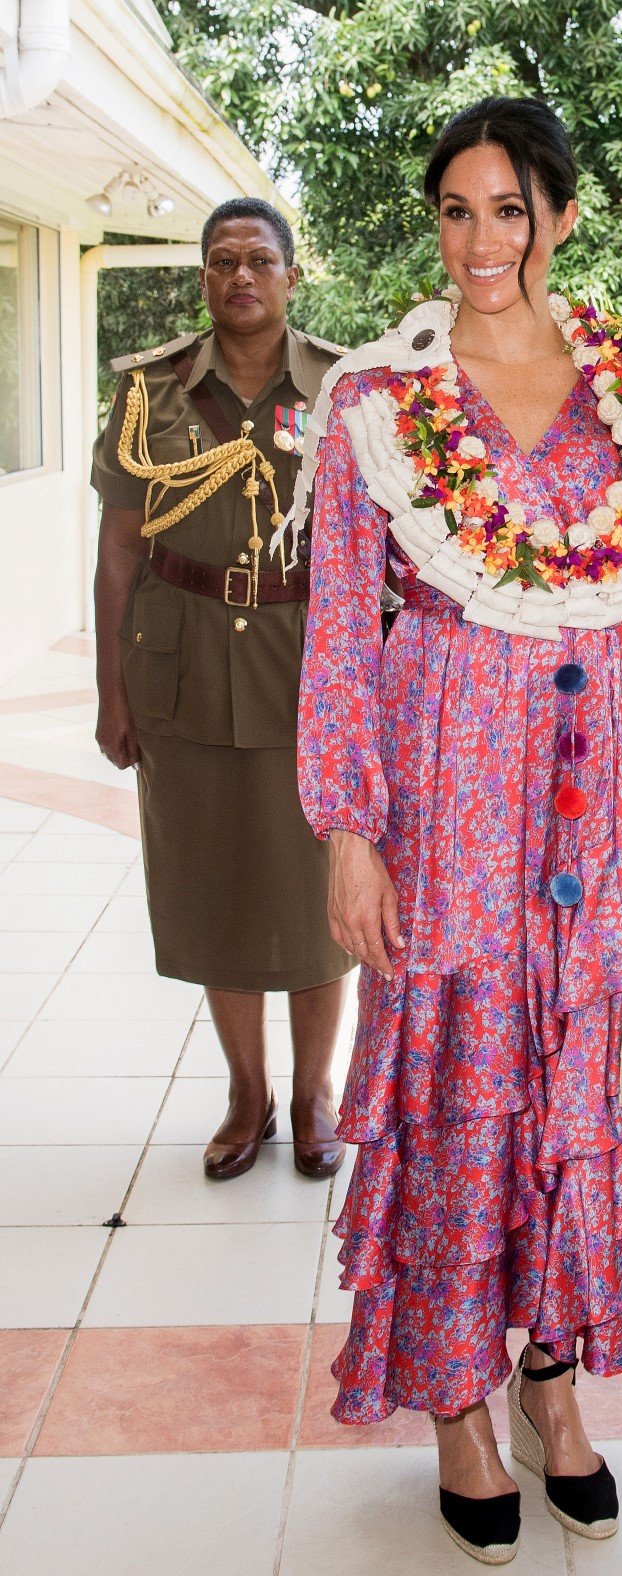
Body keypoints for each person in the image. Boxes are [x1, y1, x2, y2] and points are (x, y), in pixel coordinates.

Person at [295, 97, 622, 1563]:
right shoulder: (380, 402)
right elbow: (342, 650)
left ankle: (553, 1383)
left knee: (581, 1082)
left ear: (558, 214)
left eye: (506, 208)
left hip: (599, 792)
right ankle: (458, 1409)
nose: (480, 240)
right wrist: (350, 833)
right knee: (460, 1080)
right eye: (455, 211)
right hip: (450, 790)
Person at [92, 198, 354, 1181]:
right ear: (203, 278)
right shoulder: (150, 393)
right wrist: (112, 694)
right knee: (217, 894)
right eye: (221, 262)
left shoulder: (341, 387)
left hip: (306, 669)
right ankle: (247, 1095)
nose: (239, 276)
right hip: (184, 666)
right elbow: (120, 552)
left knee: (319, 898)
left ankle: (314, 1092)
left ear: (291, 275)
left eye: (258, 260)